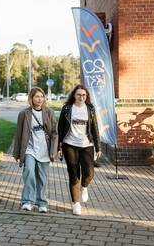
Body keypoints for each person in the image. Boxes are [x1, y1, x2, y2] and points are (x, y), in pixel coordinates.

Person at [57, 84, 101, 216]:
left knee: (89, 173)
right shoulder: (67, 109)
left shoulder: (90, 109)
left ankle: (85, 186)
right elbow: (60, 128)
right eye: (79, 94)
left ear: (86, 96)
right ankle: (76, 203)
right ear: (74, 96)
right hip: (69, 145)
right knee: (73, 174)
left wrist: (98, 147)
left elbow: (95, 128)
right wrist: (59, 146)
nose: (81, 97)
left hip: (86, 144)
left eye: (84, 95)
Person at [12, 87, 58, 213]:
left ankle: (41, 202)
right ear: (31, 98)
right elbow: (19, 134)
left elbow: (54, 133)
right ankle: (27, 201)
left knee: (42, 177)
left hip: (44, 149)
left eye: (42, 96)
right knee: (29, 172)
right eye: (37, 96)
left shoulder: (49, 112)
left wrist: (54, 149)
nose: (40, 99)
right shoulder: (24, 114)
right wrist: (16, 153)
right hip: (29, 149)